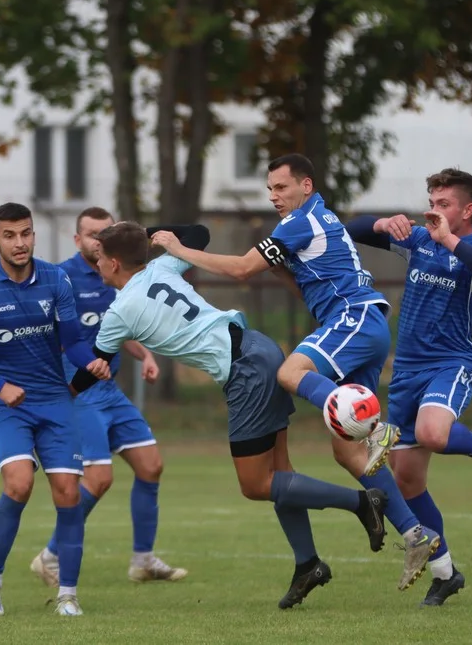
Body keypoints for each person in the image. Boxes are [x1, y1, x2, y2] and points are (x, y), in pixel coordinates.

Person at [69, 220, 439, 608]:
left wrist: (60, 397)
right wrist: (149, 231)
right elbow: (199, 232)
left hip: (244, 372)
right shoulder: (162, 266)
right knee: (280, 472)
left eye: (98, 261)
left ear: (112, 264)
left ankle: (364, 503)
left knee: (255, 485)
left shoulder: (118, 312)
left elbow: (93, 367)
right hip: (258, 347)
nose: (96, 267)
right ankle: (307, 563)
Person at [149, 154, 437, 590]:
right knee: (346, 453)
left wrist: (178, 249)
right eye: (269, 189)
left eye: (281, 187)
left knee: (289, 372)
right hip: (366, 323)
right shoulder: (316, 218)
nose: (273, 196)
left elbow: (244, 269)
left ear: (306, 185)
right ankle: (416, 535)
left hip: (352, 317)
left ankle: (375, 426)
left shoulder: (300, 221)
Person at [345, 168, 472, 607]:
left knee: (434, 433)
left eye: (444, 204)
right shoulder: (417, 239)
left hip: (448, 366)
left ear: (467, 211)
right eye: (431, 201)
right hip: (407, 372)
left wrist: (449, 239)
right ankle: (445, 573)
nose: (434, 211)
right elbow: (351, 230)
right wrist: (381, 224)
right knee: (408, 481)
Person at [0, 202, 109, 618]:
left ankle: (67, 595)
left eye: (26, 234)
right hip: (6, 402)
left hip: (54, 399)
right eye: (10, 236)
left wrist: (91, 361)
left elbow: (73, 341)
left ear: (34, 235)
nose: (20, 243)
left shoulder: (56, 280)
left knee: (68, 493)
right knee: (18, 484)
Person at [30, 207, 187, 586]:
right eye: (91, 234)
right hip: (78, 393)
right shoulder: (62, 277)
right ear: (76, 238)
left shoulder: (116, 271)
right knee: (98, 479)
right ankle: (50, 556)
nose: (97, 240)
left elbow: (116, 330)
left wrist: (145, 355)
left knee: (151, 466)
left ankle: (143, 560)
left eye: (105, 233)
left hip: (109, 390)